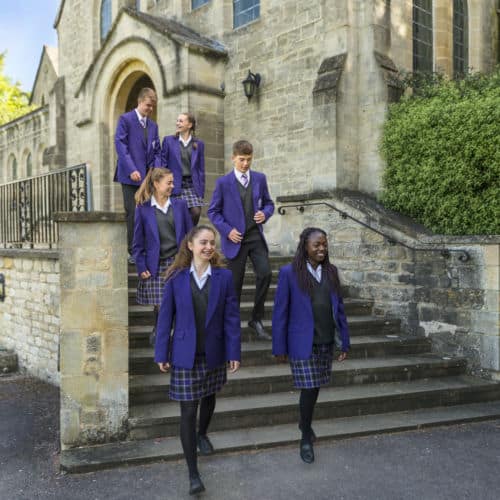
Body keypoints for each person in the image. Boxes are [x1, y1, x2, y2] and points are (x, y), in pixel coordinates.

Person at [154, 225, 241, 495]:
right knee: (188, 412)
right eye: (203, 242)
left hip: (214, 352)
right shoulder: (176, 278)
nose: (208, 247)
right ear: (190, 245)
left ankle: (203, 433)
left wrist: (233, 352)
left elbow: (231, 318)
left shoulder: (224, 278)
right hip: (184, 355)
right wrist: (161, 353)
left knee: (210, 395)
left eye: (212, 243)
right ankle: (193, 473)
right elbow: (165, 318)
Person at [272, 227, 350, 464]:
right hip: (301, 342)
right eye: (316, 244)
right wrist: (279, 347)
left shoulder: (331, 272)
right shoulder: (289, 273)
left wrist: (344, 341)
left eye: (324, 244)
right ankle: (305, 435)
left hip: (325, 340)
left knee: (316, 387)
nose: (321, 249)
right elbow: (280, 313)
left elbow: (340, 310)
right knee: (308, 388)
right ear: (304, 245)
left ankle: (303, 422)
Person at [207, 140, 274, 340]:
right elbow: (213, 212)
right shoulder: (223, 183)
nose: (246, 164)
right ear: (233, 158)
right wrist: (227, 231)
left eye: (249, 159)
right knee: (235, 284)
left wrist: (265, 213)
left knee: (266, 273)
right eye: (242, 159)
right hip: (234, 240)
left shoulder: (260, 179)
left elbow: (269, 203)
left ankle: (256, 319)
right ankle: (231, 325)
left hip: (255, 237)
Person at [132, 167, 193, 342]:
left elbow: (191, 234)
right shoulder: (143, 209)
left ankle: (168, 332)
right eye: (169, 183)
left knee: (177, 302)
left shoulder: (180, 205)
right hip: (156, 264)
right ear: (156, 184)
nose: (172, 186)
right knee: (161, 304)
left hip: (179, 261)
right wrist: (141, 266)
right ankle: (159, 330)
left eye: (173, 182)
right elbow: (137, 243)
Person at [114, 87, 161, 263]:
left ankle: (147, 249)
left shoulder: (153, 126)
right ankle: (133, 252)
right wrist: (132, 169)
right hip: (129, 176)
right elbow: (121, 146)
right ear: (140, 102)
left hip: (148, 178)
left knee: (148, 213)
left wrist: (155, 171)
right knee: (133, 213)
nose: (151, 109)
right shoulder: (125, 119)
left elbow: (157, 150)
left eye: (153, 106)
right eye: (148, 105)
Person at [160, 112, 205, 225]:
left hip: (192, 185)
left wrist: (201, 190)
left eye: (181, 121)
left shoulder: (198, 144)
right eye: (177, 120)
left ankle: (189, 237)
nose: (177, 123)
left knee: (196, 212)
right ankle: (182, 239)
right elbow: (163, 164)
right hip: (174, 184)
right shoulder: (169, 141)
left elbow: (201, 169)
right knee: (177, 216)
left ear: (189, 125)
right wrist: (164, 185)